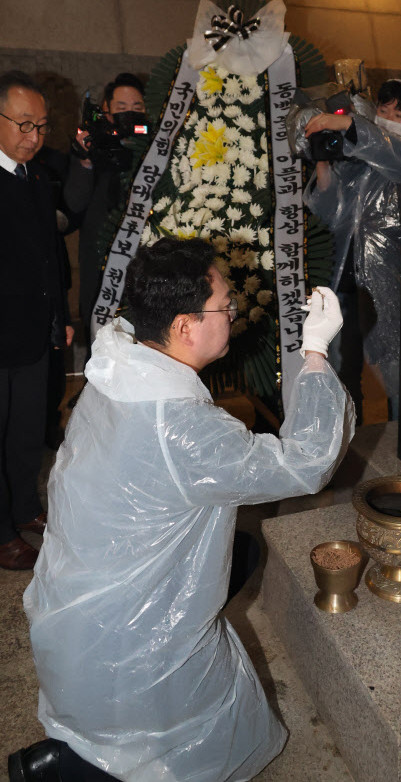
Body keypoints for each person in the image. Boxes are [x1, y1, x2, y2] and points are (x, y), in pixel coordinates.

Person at [13, 237, 353, 782]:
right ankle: (81, 770)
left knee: (240, 553)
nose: (234, 315)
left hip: (76, 608)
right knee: (181, 733)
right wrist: (315, 353)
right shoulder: (181, 427)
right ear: (184, 326)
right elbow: (304, 463)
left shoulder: (119, 360)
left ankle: (75, 755)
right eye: (225, 306)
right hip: (131, 644)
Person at [0, 71, 72, 571]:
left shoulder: (39, 178)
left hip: (33, 331)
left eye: (42, 126)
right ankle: (1, 533)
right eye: (24, 125)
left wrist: (59, 317)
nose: (34, 137)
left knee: (27, 430)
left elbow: (51, 258)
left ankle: (24, 507)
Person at [303, 79, 401, 420]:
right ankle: (346, 439)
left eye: (399, 113)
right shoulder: (358, 152)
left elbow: (391, 154)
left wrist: (345, 123)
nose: (388, 117)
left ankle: (399, 450)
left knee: (394, 367)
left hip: (387, 281)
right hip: (343, 276)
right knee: (340, 367)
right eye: (383, 109)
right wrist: (322, 161)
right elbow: (327, 208)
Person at [64, 72, 147, 353]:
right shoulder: (92, 151)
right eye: (121, 109)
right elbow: (73, 205)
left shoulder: (156, 152)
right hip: (100, 270)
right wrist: (84, 159)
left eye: (137, 108)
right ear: (106, 111)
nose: (130, 116)